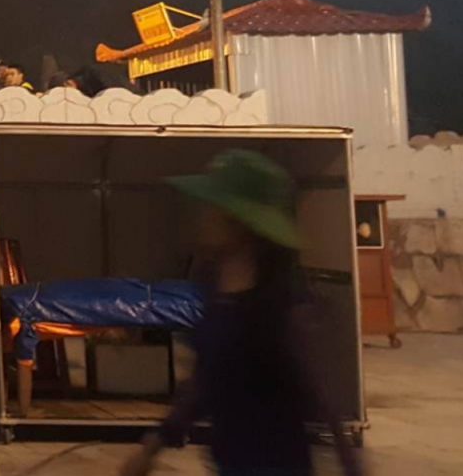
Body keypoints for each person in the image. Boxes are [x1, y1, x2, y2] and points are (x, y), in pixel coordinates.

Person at [118, 150, 364, 476]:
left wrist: (351, 464)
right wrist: (154, 446)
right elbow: (205, 380)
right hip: (228, 464)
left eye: (213, 208)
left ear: (239, 221)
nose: (203, 217)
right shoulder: (214, 287)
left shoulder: (280, 303)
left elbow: (317, 391)